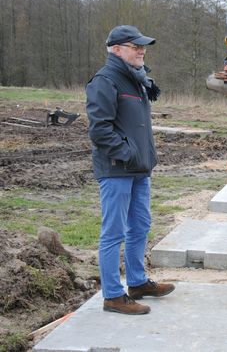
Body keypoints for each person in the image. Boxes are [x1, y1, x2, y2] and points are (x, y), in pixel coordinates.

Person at [86, 25, 174, 315]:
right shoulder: (105, 80)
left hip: (139, 169)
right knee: (113, 232)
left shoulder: (136, 80)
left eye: (142, 46)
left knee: (140, 226)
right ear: (116, 49)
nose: (141, 50)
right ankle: (113, 296)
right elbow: (100, 130)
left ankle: (137, 283)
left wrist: (143, 157)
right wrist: (127, 154)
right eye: (135, 46)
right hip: (116, 169)